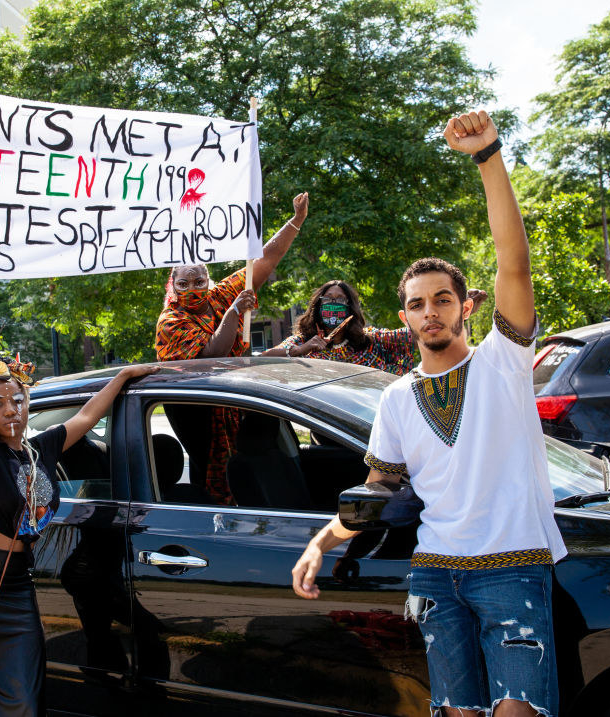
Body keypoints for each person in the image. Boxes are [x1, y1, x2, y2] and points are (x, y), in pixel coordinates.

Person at [291, 111, 564, 717]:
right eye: (417, 304)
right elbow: (376, 490)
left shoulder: (504, 362)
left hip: (512, 569)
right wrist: (320, 543)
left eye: (443, 299)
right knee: (454, 713)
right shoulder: (395, 398)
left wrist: (487, 156)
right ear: (405, 316)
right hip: (435, 574)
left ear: (465, 306)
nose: (430, 312)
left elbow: (512, 263)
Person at [0, 277, 157, 716]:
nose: (9, 409)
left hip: (16, 587)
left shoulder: (42, 448)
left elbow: (86, 414)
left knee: (25, 700)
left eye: (17, 400)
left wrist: (122, 376)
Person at [154, 192, 308, 503]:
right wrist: (235, 311)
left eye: (199, 282)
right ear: (174, 286)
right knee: (212, 472)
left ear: (208, 281)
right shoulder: (170, 321)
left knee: (245, 468)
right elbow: (213, 353)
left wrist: (295, 221)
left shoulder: (219, 296)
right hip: (197, 411)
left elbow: (263, 261)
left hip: (235, 401)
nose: (193, 290)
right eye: (184, 284)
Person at [263, 280, 486, 376]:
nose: (333, 304)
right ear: (318, 305)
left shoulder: (370, 340)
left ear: (350, 309)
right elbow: (264, 359)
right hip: (325, 431)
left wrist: (457, 312)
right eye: (328, 299)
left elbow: (414, 334)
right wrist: (301, 351)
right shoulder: (303, 342)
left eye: (340, 300)